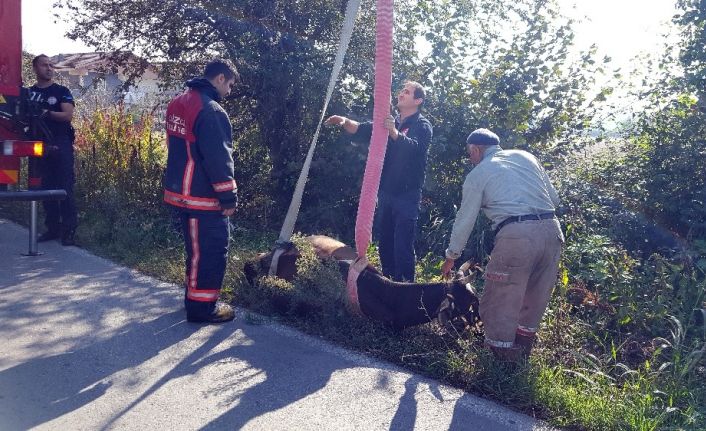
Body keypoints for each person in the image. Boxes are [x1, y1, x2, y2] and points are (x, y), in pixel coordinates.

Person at [441, 128, 563, 361]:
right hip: (552, 231)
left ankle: (497, 363)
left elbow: (465, 219)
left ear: (476, 150)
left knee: (500, 298)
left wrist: (451, 256)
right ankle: (522, 356)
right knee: (534, 298)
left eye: (470, 154)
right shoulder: (526, 157)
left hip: (517, 235)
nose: (470, 159)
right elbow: (554, 199)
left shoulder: (479, 174)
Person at [325, 81, 433, 282]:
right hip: (386, 192)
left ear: (418, 100)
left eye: (407, 92)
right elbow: (363, 129)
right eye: (401, 90)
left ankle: (406, 285)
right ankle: (389, 281)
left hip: (408, 194)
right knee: (385, 241)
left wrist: (393, 133)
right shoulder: (391, 121)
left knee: (402, 243)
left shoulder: (422, 125)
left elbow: (415, 148)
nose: (401, 94)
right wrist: (343, 120)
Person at [163, 59, 240, 323]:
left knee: (195, 250)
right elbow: (218, 158)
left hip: (180, 191)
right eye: (229, 84)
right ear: (219, 78)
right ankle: (202, 308)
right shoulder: (212, 110)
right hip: (201, 195)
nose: (228, 91)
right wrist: (228, 196)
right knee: (211, 251)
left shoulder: (179, 101)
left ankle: (192, 298)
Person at [31, 54, 78, 246]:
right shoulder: (29, 93)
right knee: (44, 186)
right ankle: (52, 228)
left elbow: (67, 115)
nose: (49, 68)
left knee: (64, 187)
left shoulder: (61, 91)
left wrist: (47, 113)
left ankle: (68, 230)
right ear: (35, 69)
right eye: (44, 65)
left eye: (51, 65)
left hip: (60, 142)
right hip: (38, 145)